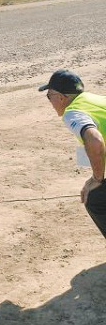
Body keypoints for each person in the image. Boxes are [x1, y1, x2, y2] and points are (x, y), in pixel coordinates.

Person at [39, 68, 106, 238]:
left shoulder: (72, 112)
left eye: (49, 96)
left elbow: (95, 141)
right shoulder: (94, 99)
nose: (50, 101)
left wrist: (97, 179)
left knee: (95, 198)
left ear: (61, 97)